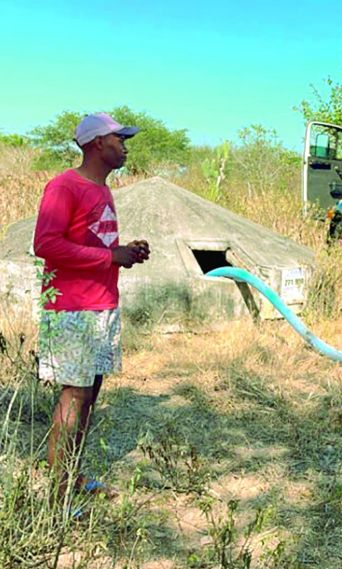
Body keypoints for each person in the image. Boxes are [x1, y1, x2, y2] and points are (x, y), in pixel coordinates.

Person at [34, 112, 150, 497]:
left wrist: (125, 252)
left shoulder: (102, 190)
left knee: (90, 394)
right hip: (72, 308)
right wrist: (109, 258)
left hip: (102, 306)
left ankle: (72, 477)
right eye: (120, 139)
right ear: (98, 143)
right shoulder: (64, 186)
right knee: (74, 395)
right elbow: (46, 244)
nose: (125, 146)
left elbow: (96, 244)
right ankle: (58, 493)